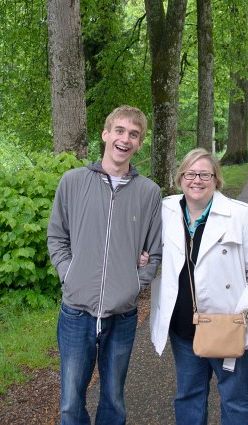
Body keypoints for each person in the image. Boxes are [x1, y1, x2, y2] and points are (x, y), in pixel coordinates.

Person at [48, 105, 163, 425]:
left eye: (134, 135)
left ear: (140, 144)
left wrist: (134, 284)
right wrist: (69, 275)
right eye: (120, 131)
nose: (125, 139)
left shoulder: (149, 192)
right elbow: (57, 237)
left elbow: (154, 252)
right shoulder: (72, 182)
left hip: (122, 316)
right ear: (106, 134)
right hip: (76, 312)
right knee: (71, 402)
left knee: (113, 400)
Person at [150, 148, 248, 425]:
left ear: (216, 179)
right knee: (188, 396)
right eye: (190, 173)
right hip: (183, 329)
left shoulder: (239, 215)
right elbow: (149, 248)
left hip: (228, 325)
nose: (197, 180)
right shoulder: (167, 210)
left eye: (205, 174)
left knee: (236, 400)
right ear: (180, 178)